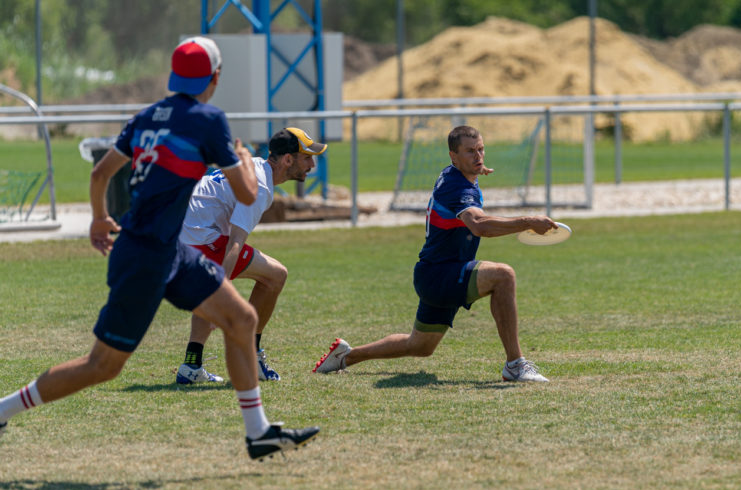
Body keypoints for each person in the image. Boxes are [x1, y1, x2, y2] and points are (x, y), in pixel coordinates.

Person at [0, 36, 319, 460]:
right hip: (147, 255)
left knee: (241, 318)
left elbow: (99, 174)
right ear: (215, 78)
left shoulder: (146, 116)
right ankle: (3, 409)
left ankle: (258, 432)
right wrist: (244, 160)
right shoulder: (208, 119)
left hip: (169, 250)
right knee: (103, 366)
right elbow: (246, 192)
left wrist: (99, 218)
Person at [313, 125, 557, 382]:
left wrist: (474, 167)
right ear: (453, 156)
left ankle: (346, 356)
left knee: (419, 346)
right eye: (470, 151)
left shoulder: (455, 174)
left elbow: (467, 185)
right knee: (503, 276)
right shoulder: (457, 187)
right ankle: (515, 365)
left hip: (435, 272)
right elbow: (479, 225)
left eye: (481, 149)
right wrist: (528, 222)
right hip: (441, 274)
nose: (478, 156)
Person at [176, 127, 327, 385]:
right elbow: (235, 242)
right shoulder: (259, 186)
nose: (312, 165)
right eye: (306, 158)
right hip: (198, 236)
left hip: (181, 233)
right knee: (276, 276)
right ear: (287, 159)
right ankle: (251, 357)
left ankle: (191, 365)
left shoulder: (256, 167)